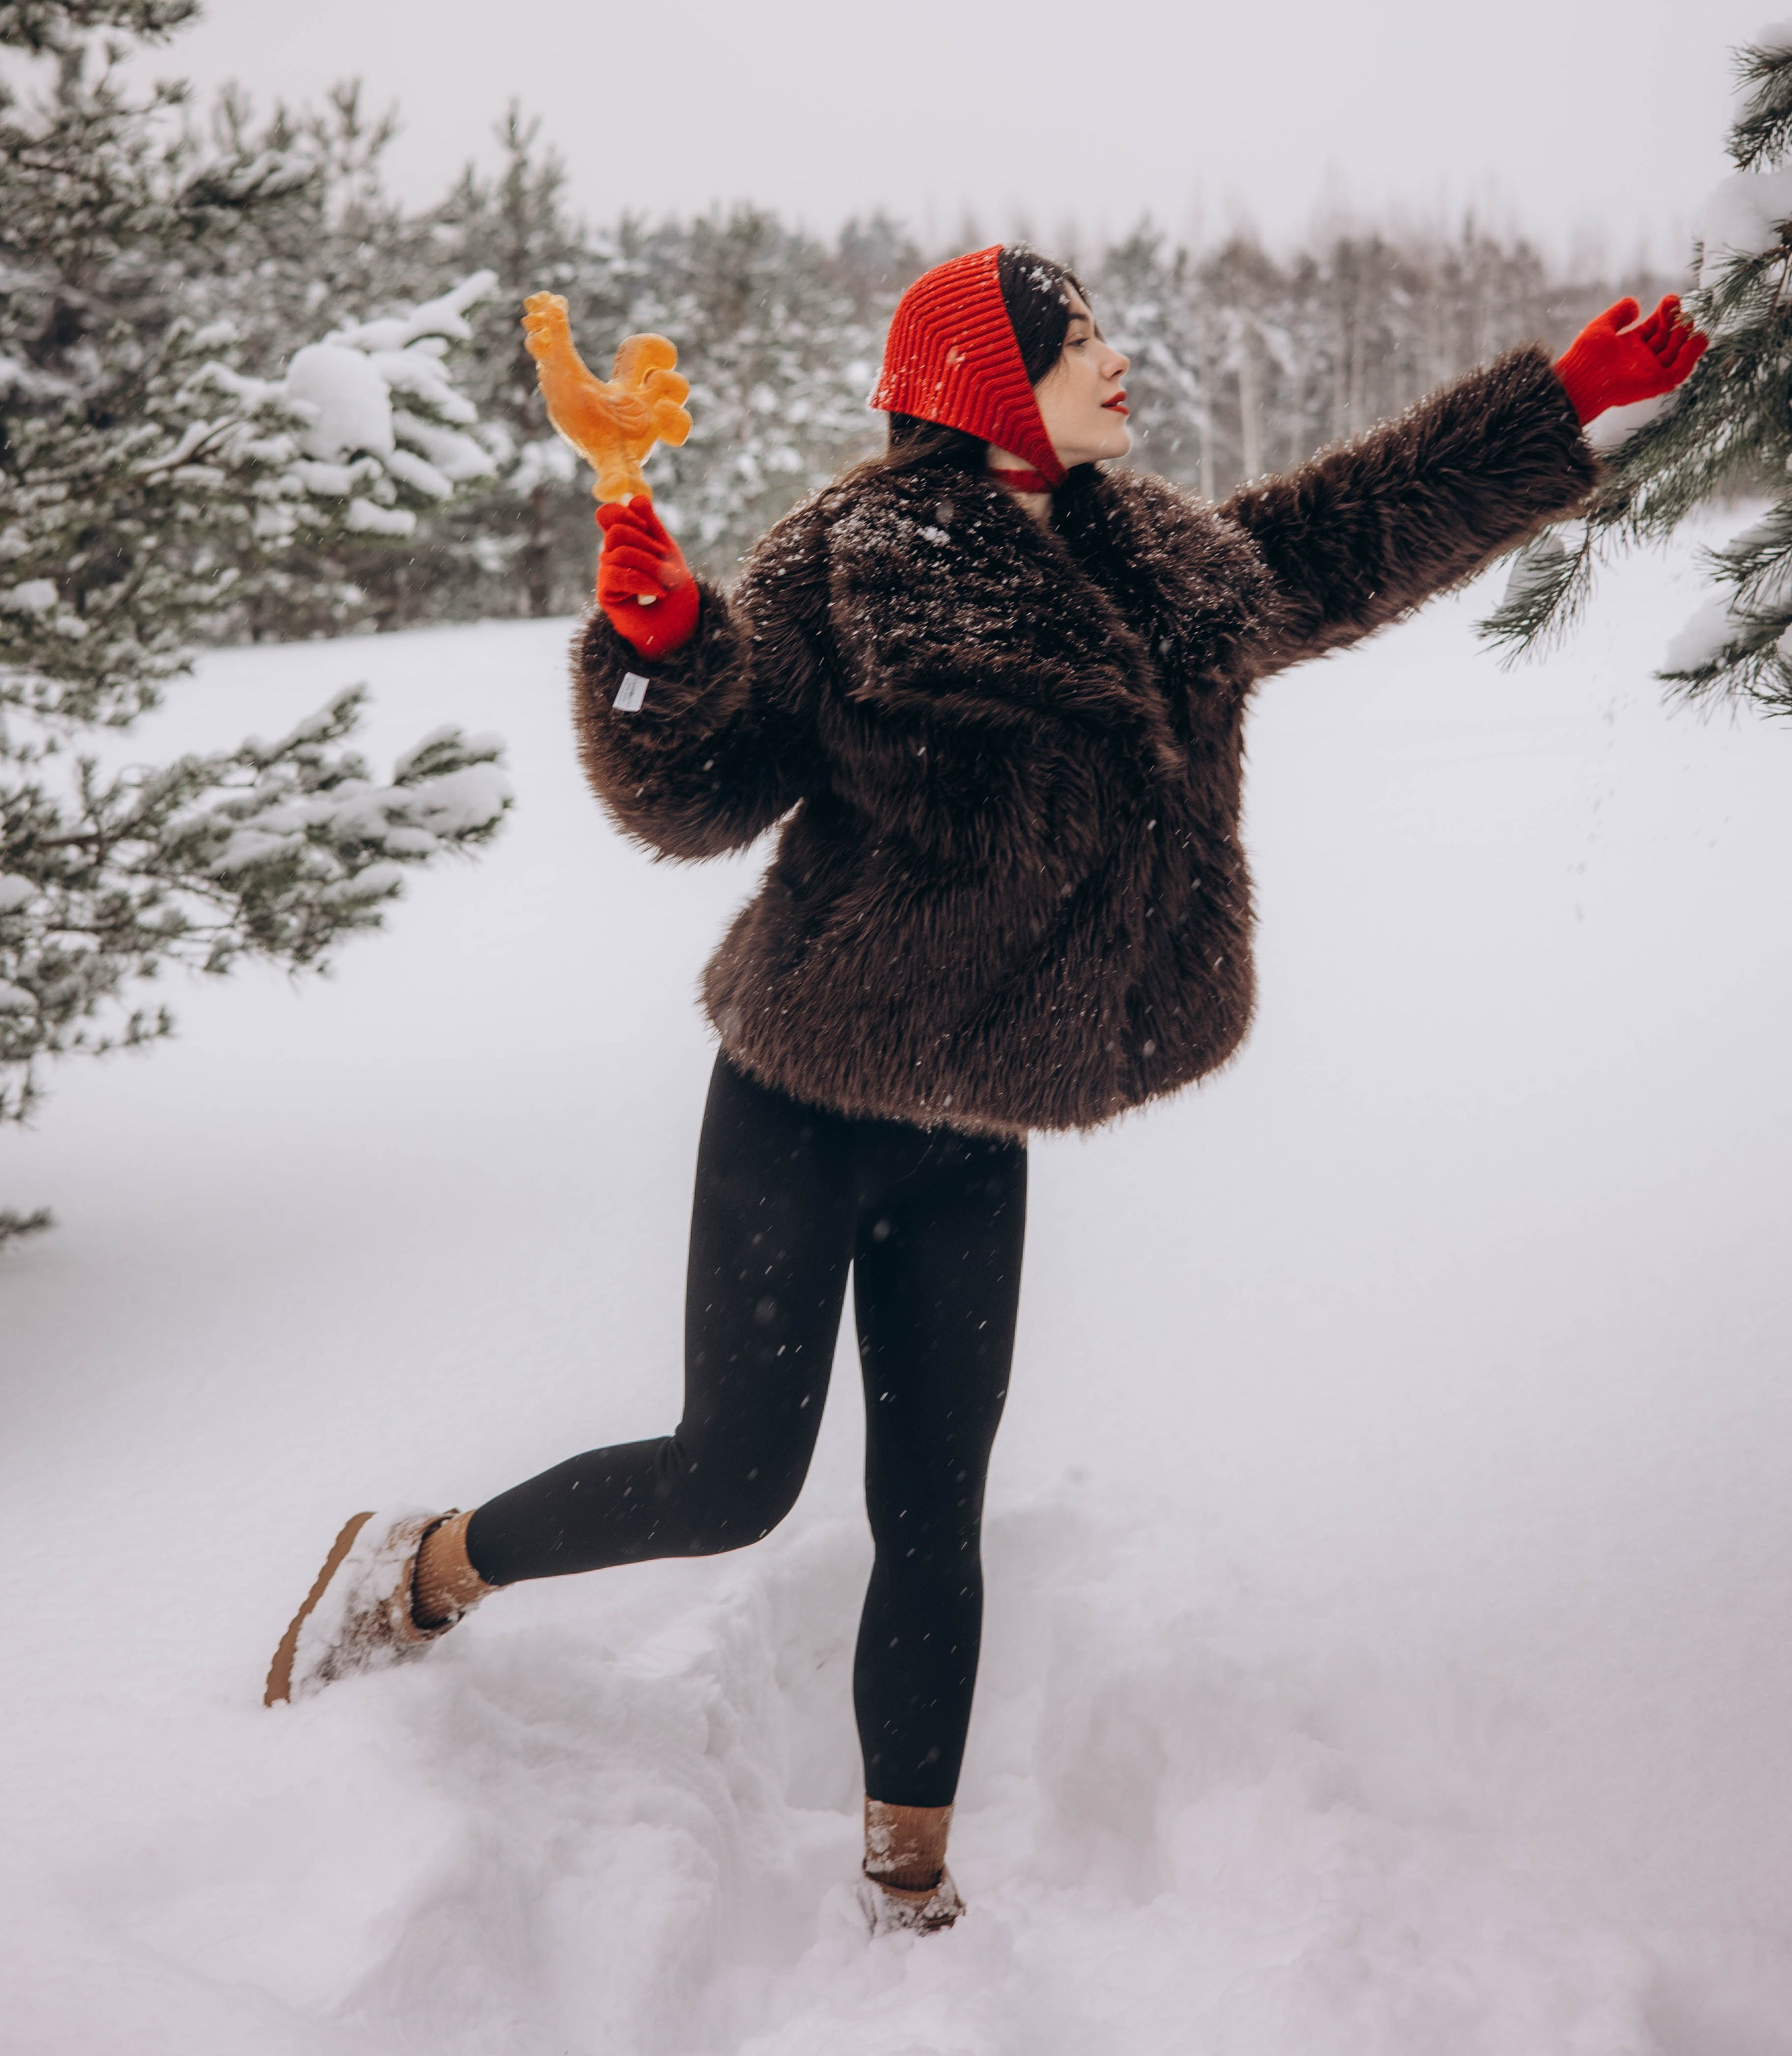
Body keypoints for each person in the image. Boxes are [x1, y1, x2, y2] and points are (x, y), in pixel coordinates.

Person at [262, 246, 1704, 1933]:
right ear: (980, 379)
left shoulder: (1158, 565)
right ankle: (418, 1567)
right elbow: (701, 797)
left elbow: (1346, 531)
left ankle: (908, 1881)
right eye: (1073, 338)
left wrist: (1560, 403)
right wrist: (656, 652)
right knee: (730, 1478)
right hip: (804, 1101)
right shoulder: (843, 566)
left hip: (972, 1134)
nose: (1113, 360)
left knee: (933, 1514)